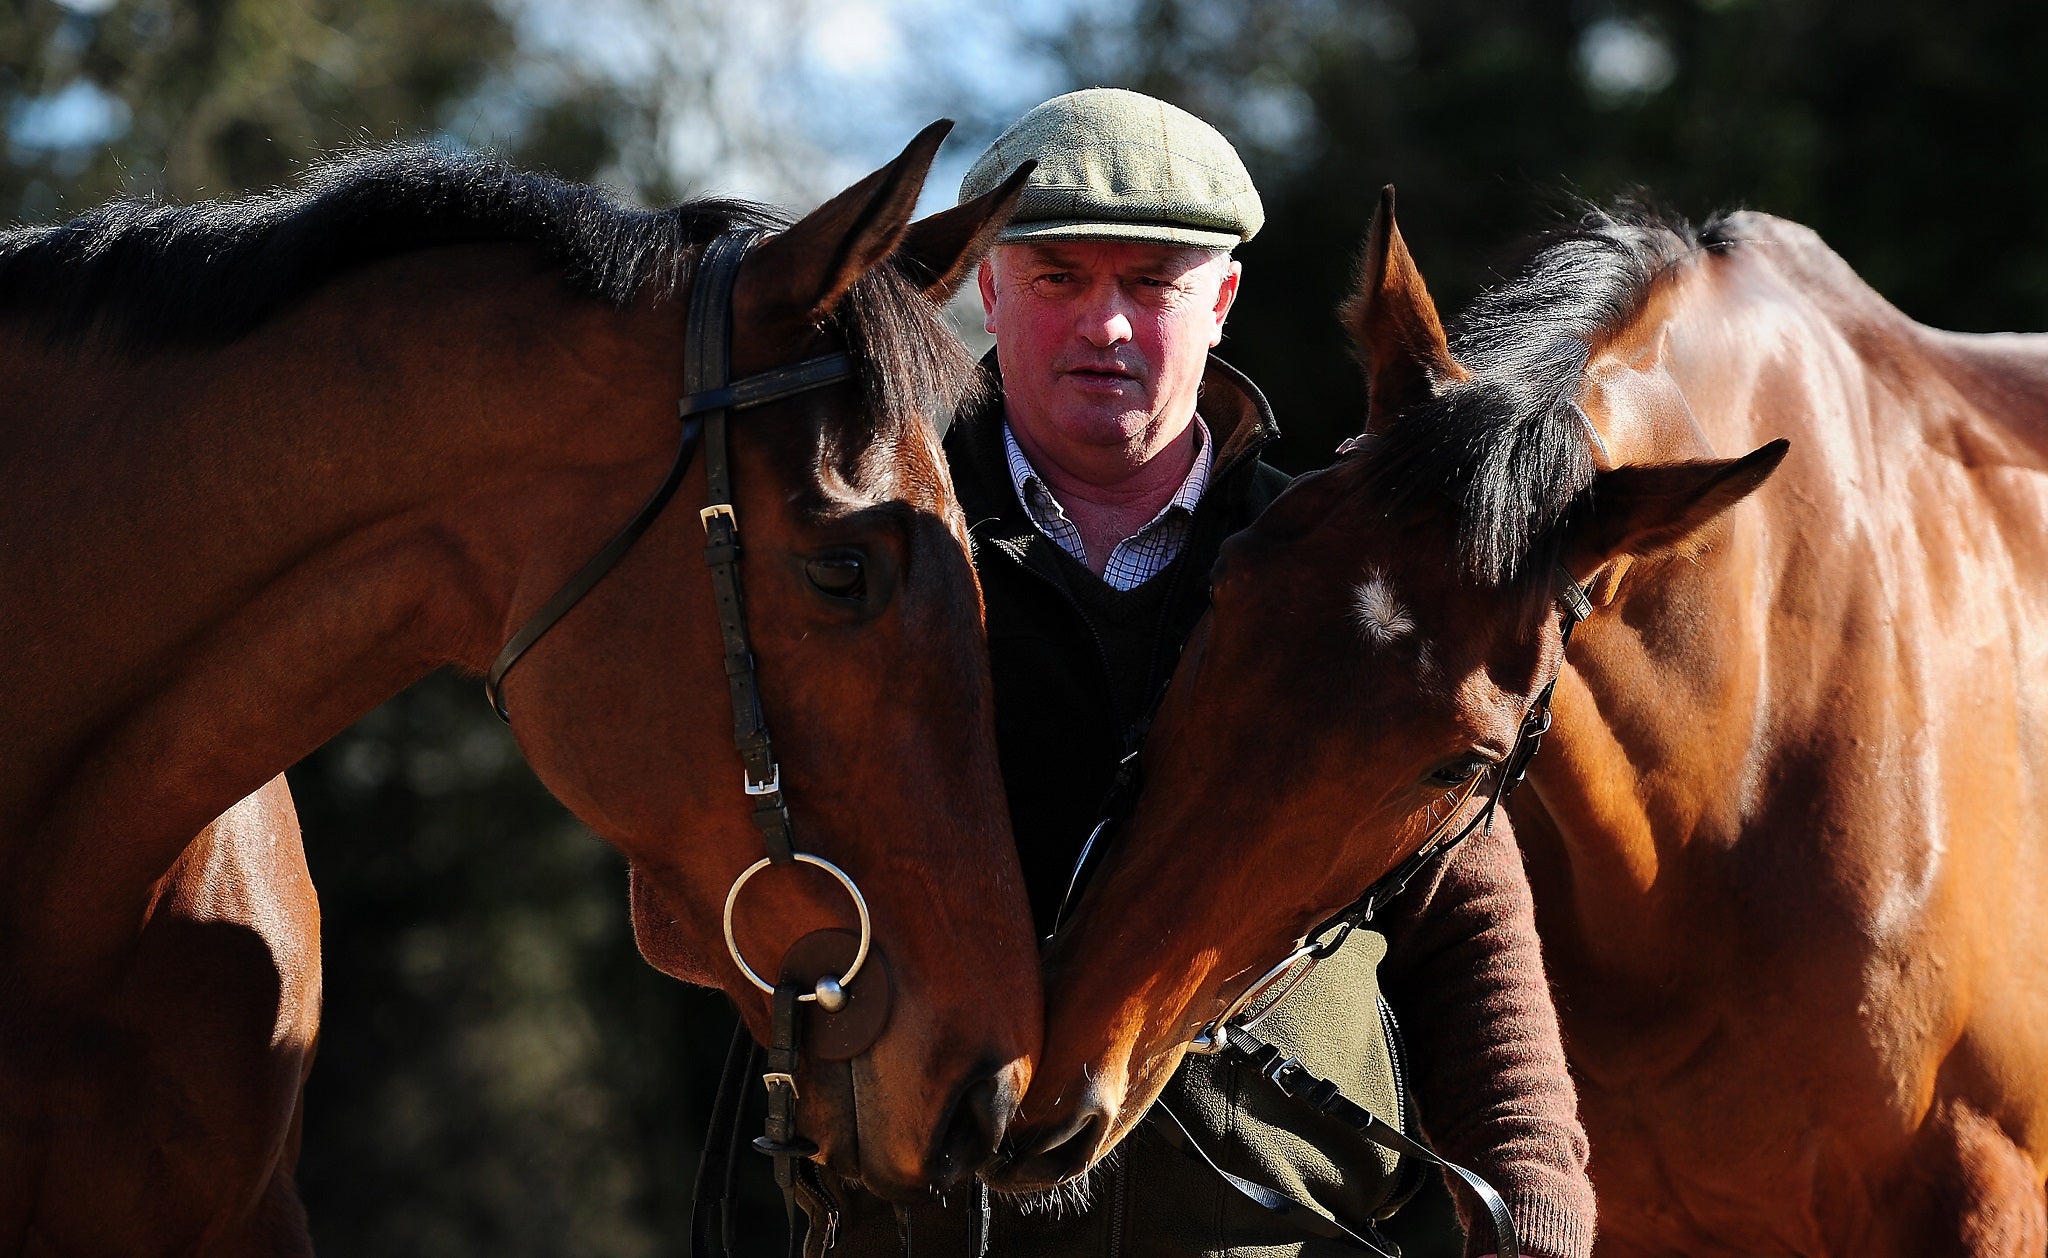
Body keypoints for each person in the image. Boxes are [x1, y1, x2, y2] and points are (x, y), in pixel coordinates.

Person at [831, 87, 1595, 1258]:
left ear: (1222, 300)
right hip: (919, 1231)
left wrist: (1532, 1200)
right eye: (1059, 279)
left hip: (1287, 1235)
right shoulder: (852, 567)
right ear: (986, 286)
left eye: (1151, 283)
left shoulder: (1351, 588)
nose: (1106, 326)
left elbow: (1464, 917)